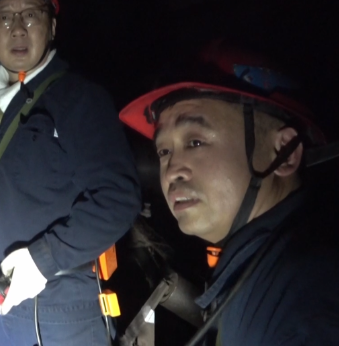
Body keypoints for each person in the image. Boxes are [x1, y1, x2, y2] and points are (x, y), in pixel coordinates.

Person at [0, 0, 141, 345]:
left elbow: (119, 197)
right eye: (3, 17)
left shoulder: (79, 100)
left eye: (30, 14)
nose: (18, 28)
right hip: (0, 306)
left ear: (53, 26)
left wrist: (43, 259)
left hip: (61, 312)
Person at [119, 38, 339, 345]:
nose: (171, 171)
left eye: (195, 142)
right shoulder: (256, 267)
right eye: (164, 151)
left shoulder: (309, 303)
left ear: (284, 152)